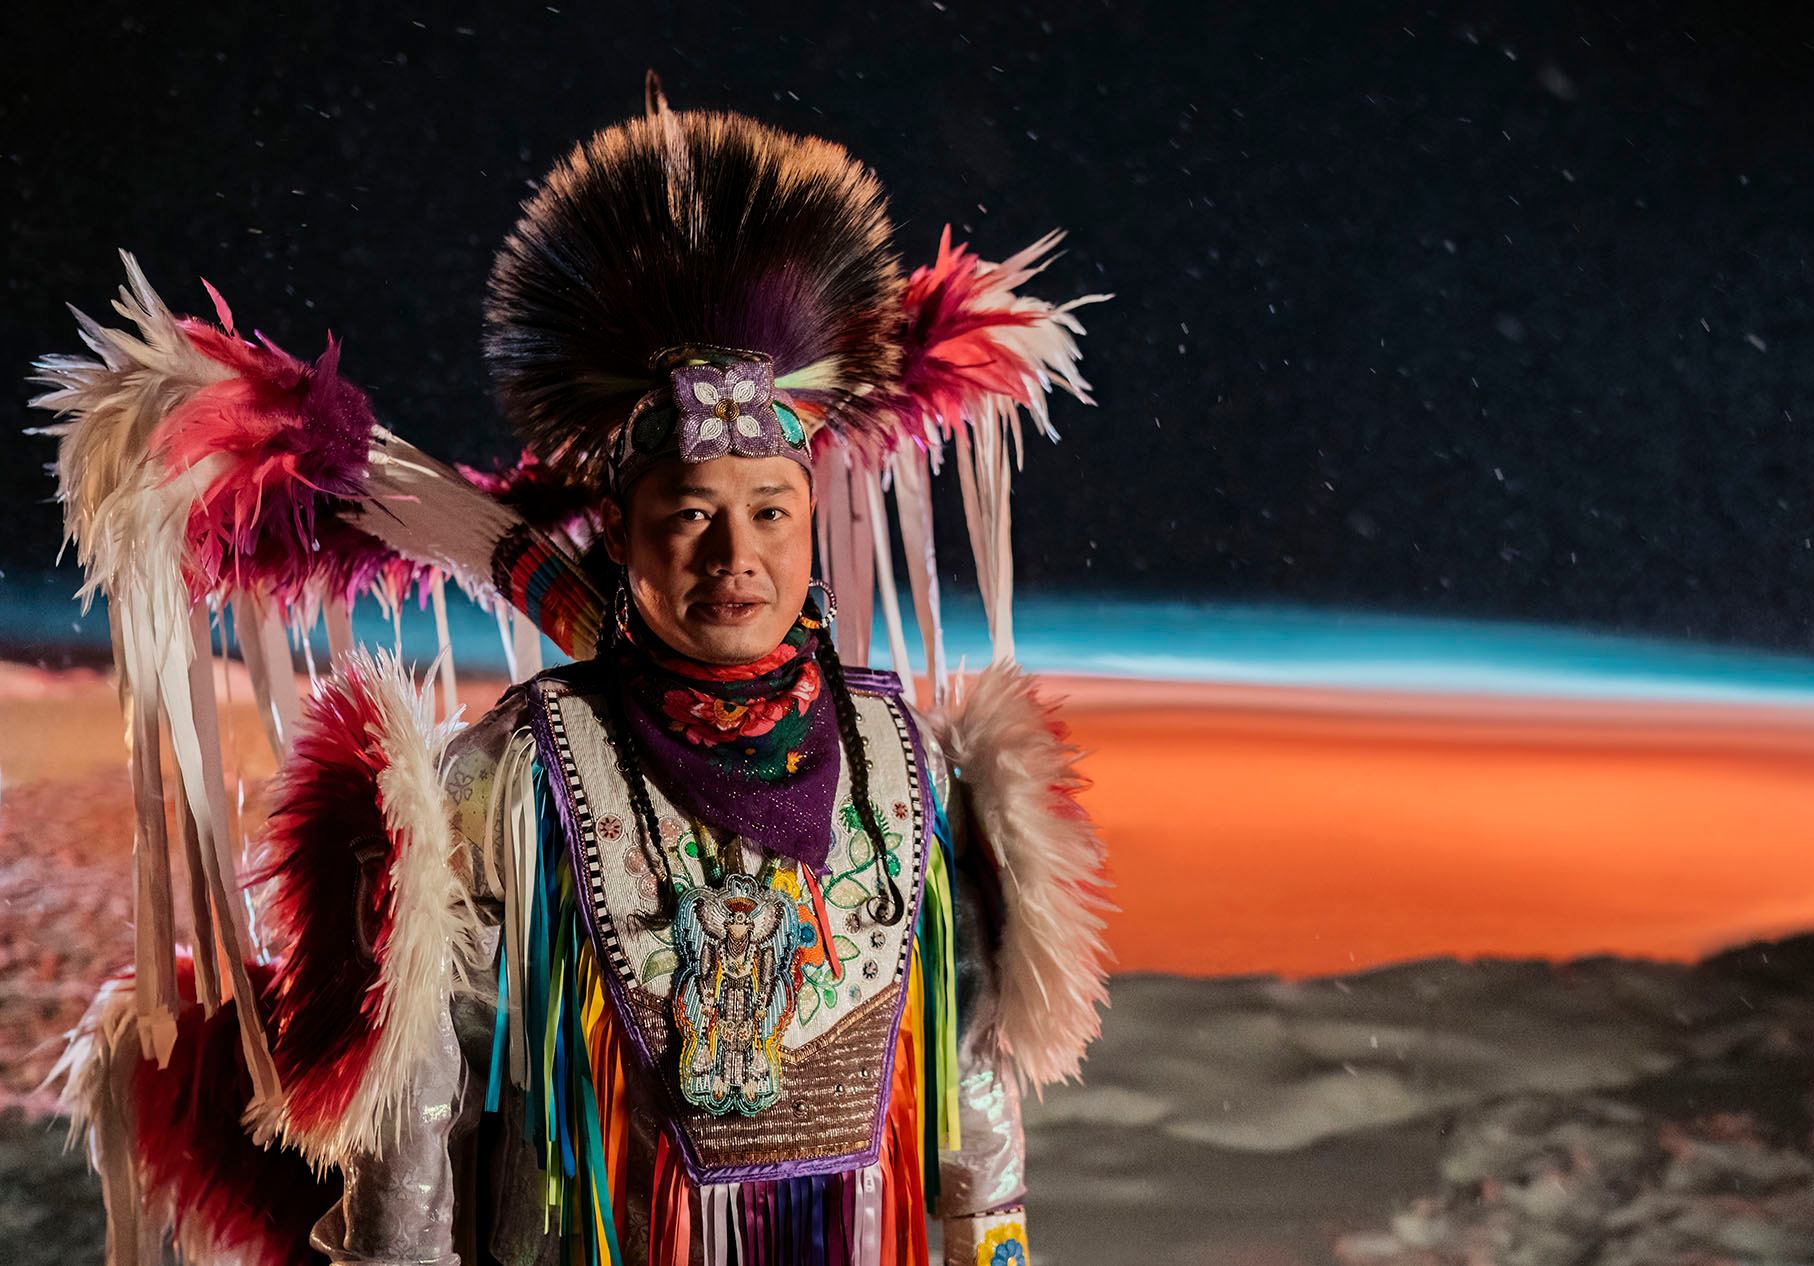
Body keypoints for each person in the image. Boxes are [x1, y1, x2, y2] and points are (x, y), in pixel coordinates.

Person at [40, 81, 1110, 1266]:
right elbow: (417, 1114)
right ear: (626, 530)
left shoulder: (908, 767)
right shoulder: (509, 780)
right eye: (690, 514)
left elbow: (963, 1074)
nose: (733, 554)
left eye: (769, 510)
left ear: (811, 527)